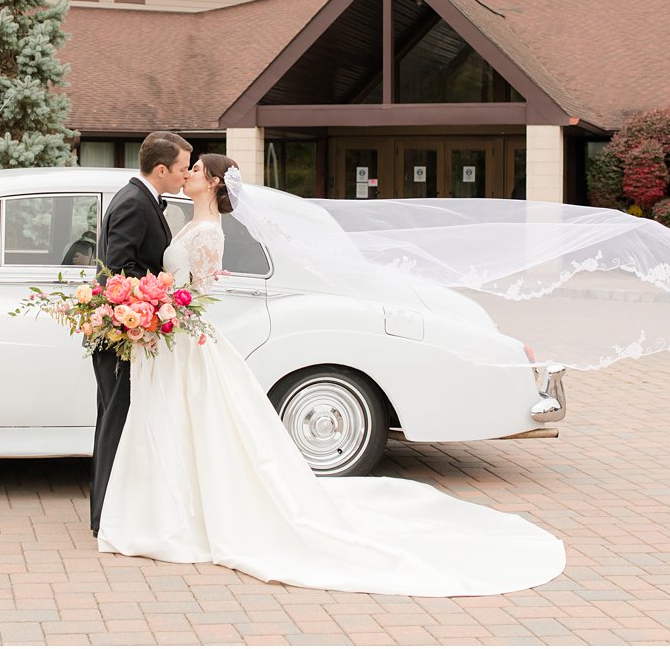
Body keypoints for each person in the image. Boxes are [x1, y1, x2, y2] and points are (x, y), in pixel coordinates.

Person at [95, 153, 568, 597]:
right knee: (180, 422)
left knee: (191, 420)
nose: (189, 172)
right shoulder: (194, 222)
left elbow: (199, 291)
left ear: (213, 181)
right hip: (176, 335)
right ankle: (172, 503)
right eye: (188, 166)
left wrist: (162, 306)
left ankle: (183, 512)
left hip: (186, 335)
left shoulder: (209, 232)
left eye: (196, 168)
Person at [89, 131, 191, 537]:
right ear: (162, 169)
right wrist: (160, 292)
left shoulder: (142, 199)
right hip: (121, 335)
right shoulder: (134, 203)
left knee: (117, 420)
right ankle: (105, 518)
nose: (185, 175)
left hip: (128, 331)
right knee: (117, 421)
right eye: (183, 168)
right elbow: (118, 269)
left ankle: (110, 511)